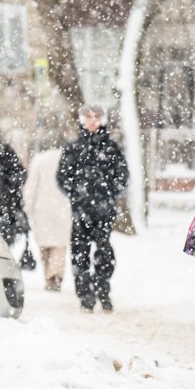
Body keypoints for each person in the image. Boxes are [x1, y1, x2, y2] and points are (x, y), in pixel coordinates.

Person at [57, 107, 129, 312]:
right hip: (80, 211)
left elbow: (122, 177)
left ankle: (103, 290)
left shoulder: (112, 148)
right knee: (80, 254)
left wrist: (108, 195)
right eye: (88, 117)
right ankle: (85, 296)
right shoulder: (73, 148)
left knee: (105, 253)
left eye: (96, 117)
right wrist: (77, 195)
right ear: (81, 120)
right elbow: (63, 178)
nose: (92, 121)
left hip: (104, 212)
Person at [23, 143, 72, 291]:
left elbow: (31, 186)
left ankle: (49, 276)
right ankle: (56, 273)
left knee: (45, 246)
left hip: (42, 208)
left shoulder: (39, 160)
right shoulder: (66, 158)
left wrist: (28, 207)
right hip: (63, 207)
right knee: (59, 245)